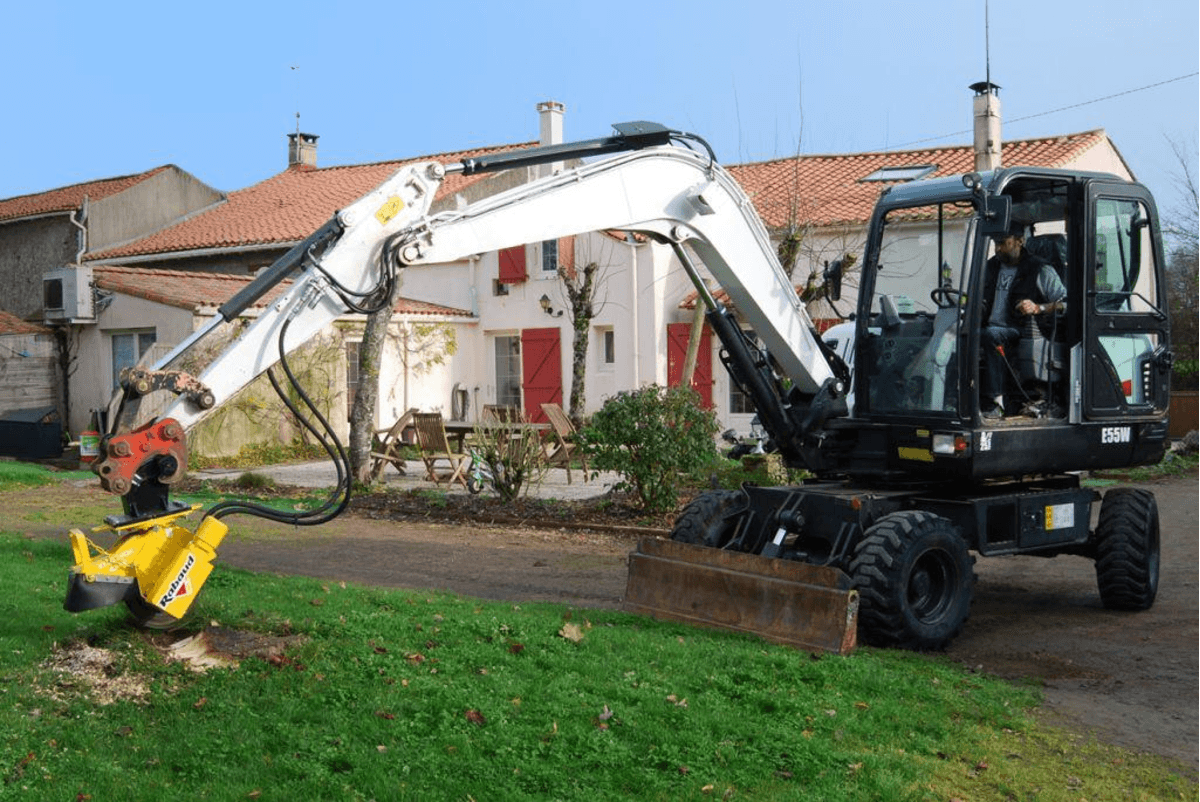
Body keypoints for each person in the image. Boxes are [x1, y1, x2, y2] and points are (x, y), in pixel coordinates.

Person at [980, 222, 1066, 420]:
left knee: (992, 335)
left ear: (1020, 241)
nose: (998, 248)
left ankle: (995, 401)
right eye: (995, 243)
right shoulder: (989, 267)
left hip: (1020, 329)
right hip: (988, 327)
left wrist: (1038, 308)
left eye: (1003, 243)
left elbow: (1065, 302)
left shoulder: (1039, 269)